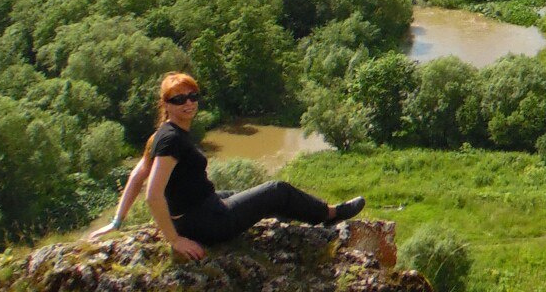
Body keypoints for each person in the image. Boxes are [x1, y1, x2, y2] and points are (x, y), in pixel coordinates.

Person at [96, 73, 364, 260]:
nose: (188, 103)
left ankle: (292, 218)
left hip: (200, 213)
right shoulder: (170, 140)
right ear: (166, 104)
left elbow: (137, 174)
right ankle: (330, 215)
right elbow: (152, 194)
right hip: (208, 224)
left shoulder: (162, 134)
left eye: (192, 96)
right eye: (178, 99)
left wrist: (117, 221)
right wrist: (174, 241)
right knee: (276, 190)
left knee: (238, 193)